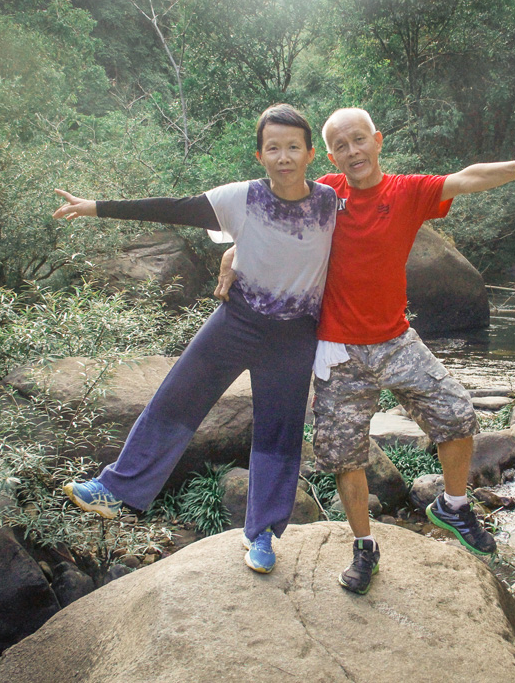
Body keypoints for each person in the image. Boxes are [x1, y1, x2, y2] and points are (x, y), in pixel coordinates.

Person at [217, 107, 515, 594]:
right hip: (337, 351)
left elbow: (466, 179)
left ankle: (453, 506)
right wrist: (231, 253)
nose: (352, 151)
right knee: (345, 457)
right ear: (330, 155)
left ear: (377, 140)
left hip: (395, 340)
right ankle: (364, 547)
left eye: (359, 140)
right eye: (341, 146)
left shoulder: (407, 191)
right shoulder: (324, 193)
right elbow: (267, 218)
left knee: (456, 413)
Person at [51, 104, 338, 574]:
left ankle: (262, 534)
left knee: (279, 435)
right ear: (260, 154)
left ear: (310, 153)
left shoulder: (330, 202)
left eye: (292, 147)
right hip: (238, 319)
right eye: (273, 148)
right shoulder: (240, 198)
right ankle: (117, 488)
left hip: (295, 336)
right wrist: (96, 207)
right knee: (176, 397)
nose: (283, 156)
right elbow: (175, 207)